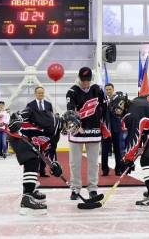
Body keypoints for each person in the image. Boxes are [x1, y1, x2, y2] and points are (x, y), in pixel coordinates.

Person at [8, 105, 70, 215]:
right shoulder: (52, 121)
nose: (71, 129)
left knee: (34, 160)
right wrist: (18, 118)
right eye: (72, 125)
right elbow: (32, 111)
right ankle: (27, 198)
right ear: (67, 121)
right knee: (32, 160)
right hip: (20, 135)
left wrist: (54, 164)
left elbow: (49, 150)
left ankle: (30, 192)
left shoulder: (56, 134)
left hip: (29, 140)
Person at [65, 67, 108, 200]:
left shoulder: (97, 90)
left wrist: (103, 125)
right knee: (75, 162)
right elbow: (70, 112)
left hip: (94, 130)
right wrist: (77, 127)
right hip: (77, 130)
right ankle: (75, 189)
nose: (85, 83)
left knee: (94, 162)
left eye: (88, 80)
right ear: (79, 78)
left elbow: (105, 108)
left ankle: (93, 188)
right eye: (83, 80)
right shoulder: (72, 91)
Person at [27, 86, 54, 176]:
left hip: (46, 133)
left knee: (44, 152)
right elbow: (28, 119)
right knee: (34, 152)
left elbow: (51, 118)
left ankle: (42, 171)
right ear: (35, 94)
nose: (41, 94)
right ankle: (34, 170)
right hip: (34, 132)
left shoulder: (48, 104)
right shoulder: (30, 105)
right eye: (39, 93)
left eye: (42, 93)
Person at [101, 83, 124, 176]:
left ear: (113, 89)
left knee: (118, 150)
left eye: (110, 89)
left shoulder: (119, 100)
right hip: (105, 129)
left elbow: (121, 112)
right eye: (106, 89)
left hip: (116, 128)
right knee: (105, 151)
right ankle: (105, 170)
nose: (108, 91)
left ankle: (118, 169)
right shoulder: (102, 100)